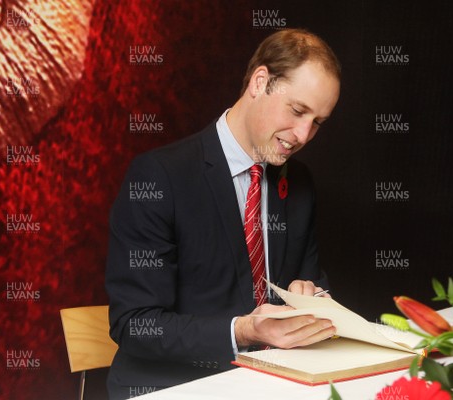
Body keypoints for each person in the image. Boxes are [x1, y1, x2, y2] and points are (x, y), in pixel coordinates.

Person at [105, 29, 341, 399]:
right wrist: (244, 331)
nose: (302, 134)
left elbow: (310, 282)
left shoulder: (300, 184)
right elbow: (135, 324)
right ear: (259, 82)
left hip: (270, 385)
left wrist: (310, 298)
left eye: (318, 122)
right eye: (297, 111)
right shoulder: (159, 177)